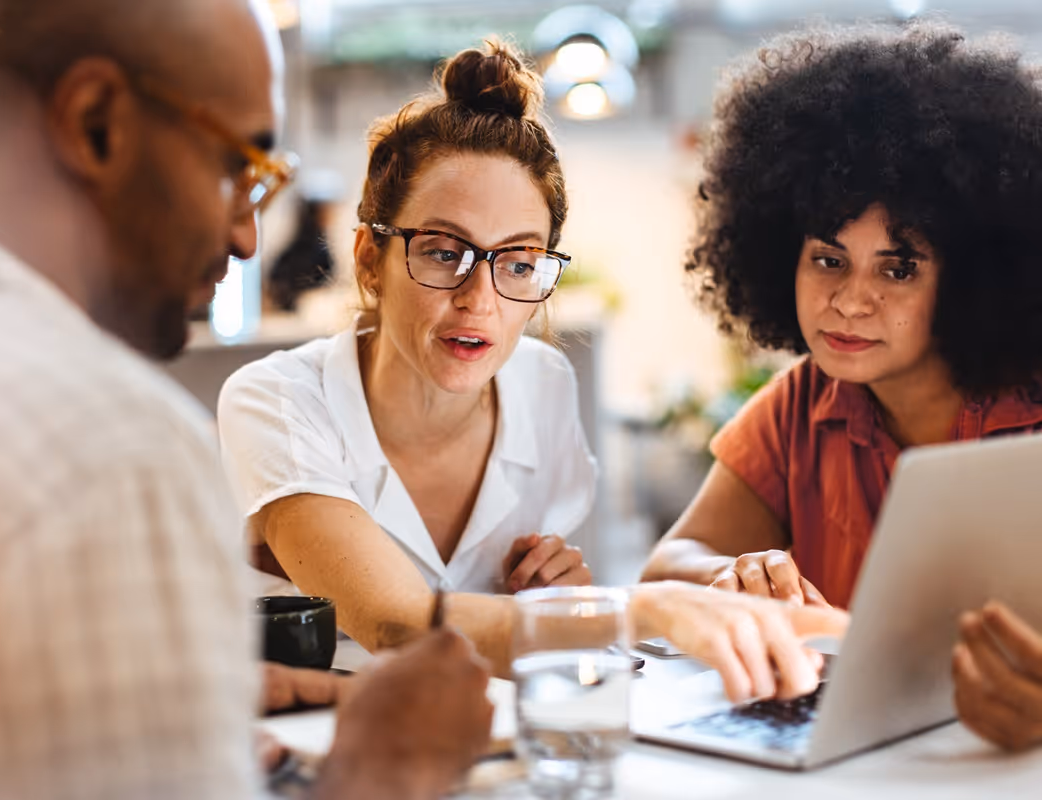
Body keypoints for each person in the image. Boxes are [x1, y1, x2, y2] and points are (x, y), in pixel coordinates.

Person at [0, 1, 493, 798]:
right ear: (96, 125)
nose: (246, 237)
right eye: (241, 168)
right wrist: (384, 770)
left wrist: (158, 701)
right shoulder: (116, 454)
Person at [218, 39, 847, 690]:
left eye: (518, 263)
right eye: (442, 251)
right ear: (369, 257)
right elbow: (393, 623)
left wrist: (558, 599)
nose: (479, 299)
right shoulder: (278, 400)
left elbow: (538, 642)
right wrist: (638, 610)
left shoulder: (542, 388)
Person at [638, 22, 1042, 750]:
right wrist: (733, 575)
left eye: (898, 268)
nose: (851, 301)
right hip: (851, 759)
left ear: (975, 281)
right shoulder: (801, 403)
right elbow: (667, 566)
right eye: (829, 259)